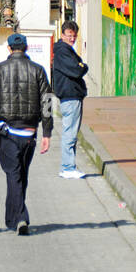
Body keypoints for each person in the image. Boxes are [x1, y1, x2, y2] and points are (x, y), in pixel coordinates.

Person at [0, 32, 53, 234]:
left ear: (9, 48)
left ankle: (21, 217)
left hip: (7, 132)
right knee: (20, 175)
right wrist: (47, 133)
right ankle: (13, 217)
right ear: (26, 48)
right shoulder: (38, 70)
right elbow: (47, 103)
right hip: (29, 132)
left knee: (13, 175)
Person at [52, 20, 88, 179]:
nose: (72, 39)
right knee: (70, 133)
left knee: (71, 132)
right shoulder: (63, 51)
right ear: (62, 34)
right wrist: (83, 66)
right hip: (70, 95)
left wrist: (81, 65)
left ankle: (69, 166)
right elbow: (76, 70)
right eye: (69, 36)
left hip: (71, 95)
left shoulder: (63, 50)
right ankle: (67, 167)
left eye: (74, 36)